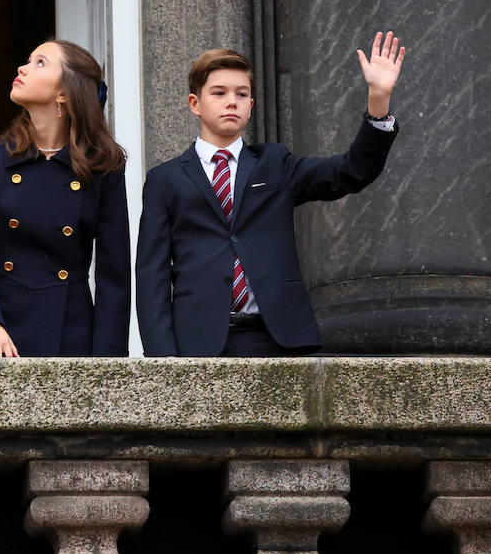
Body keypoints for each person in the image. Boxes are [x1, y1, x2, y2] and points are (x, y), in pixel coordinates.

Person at [136, 33, 405, 357]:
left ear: (251, 106)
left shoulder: (275, 164)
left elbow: (350, 171)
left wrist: (378, 99)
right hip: (198, 342)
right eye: (219, 93)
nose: (231, 101)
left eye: (242, 94)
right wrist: (163, 362)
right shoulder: (165, 179)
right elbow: (151, 276)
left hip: (278, 338)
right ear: (195, 103)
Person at [0, 40, 130, 358]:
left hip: (70, 335)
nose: (23, 68)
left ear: (64, 92)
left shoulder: (103, 167)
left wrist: (108, 361)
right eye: (28, 59)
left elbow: (113, 276)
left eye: (40, 63)